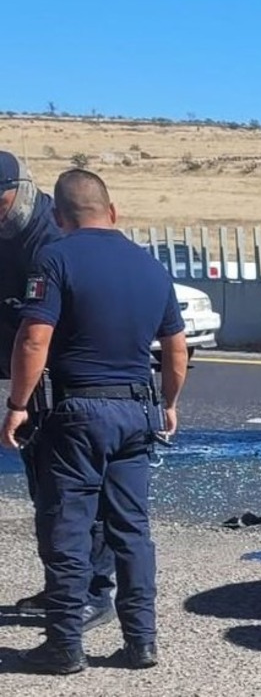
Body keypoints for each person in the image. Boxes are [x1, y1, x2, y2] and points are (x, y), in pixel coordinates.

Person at [0, 168, 189, 675]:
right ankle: (141, 642)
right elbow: (175, 348)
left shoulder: (55, 257)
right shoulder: (151, 267)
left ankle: (64, 646)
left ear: (59, 217)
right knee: (132, 531)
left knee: (68, 527)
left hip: (76, 414)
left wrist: (18, 404)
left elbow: (34, 338)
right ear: (113, 211)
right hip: (136, 412)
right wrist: (168, 403)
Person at [0, 150, 118, 630]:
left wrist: (19, 401)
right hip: (34, 389)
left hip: (71, 388)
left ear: (19, 189)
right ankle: (62, 587)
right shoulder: (9, 238)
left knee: (80, 499)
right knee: (48, 499)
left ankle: (94, 591)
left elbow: (45, 328)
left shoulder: (53, 238)